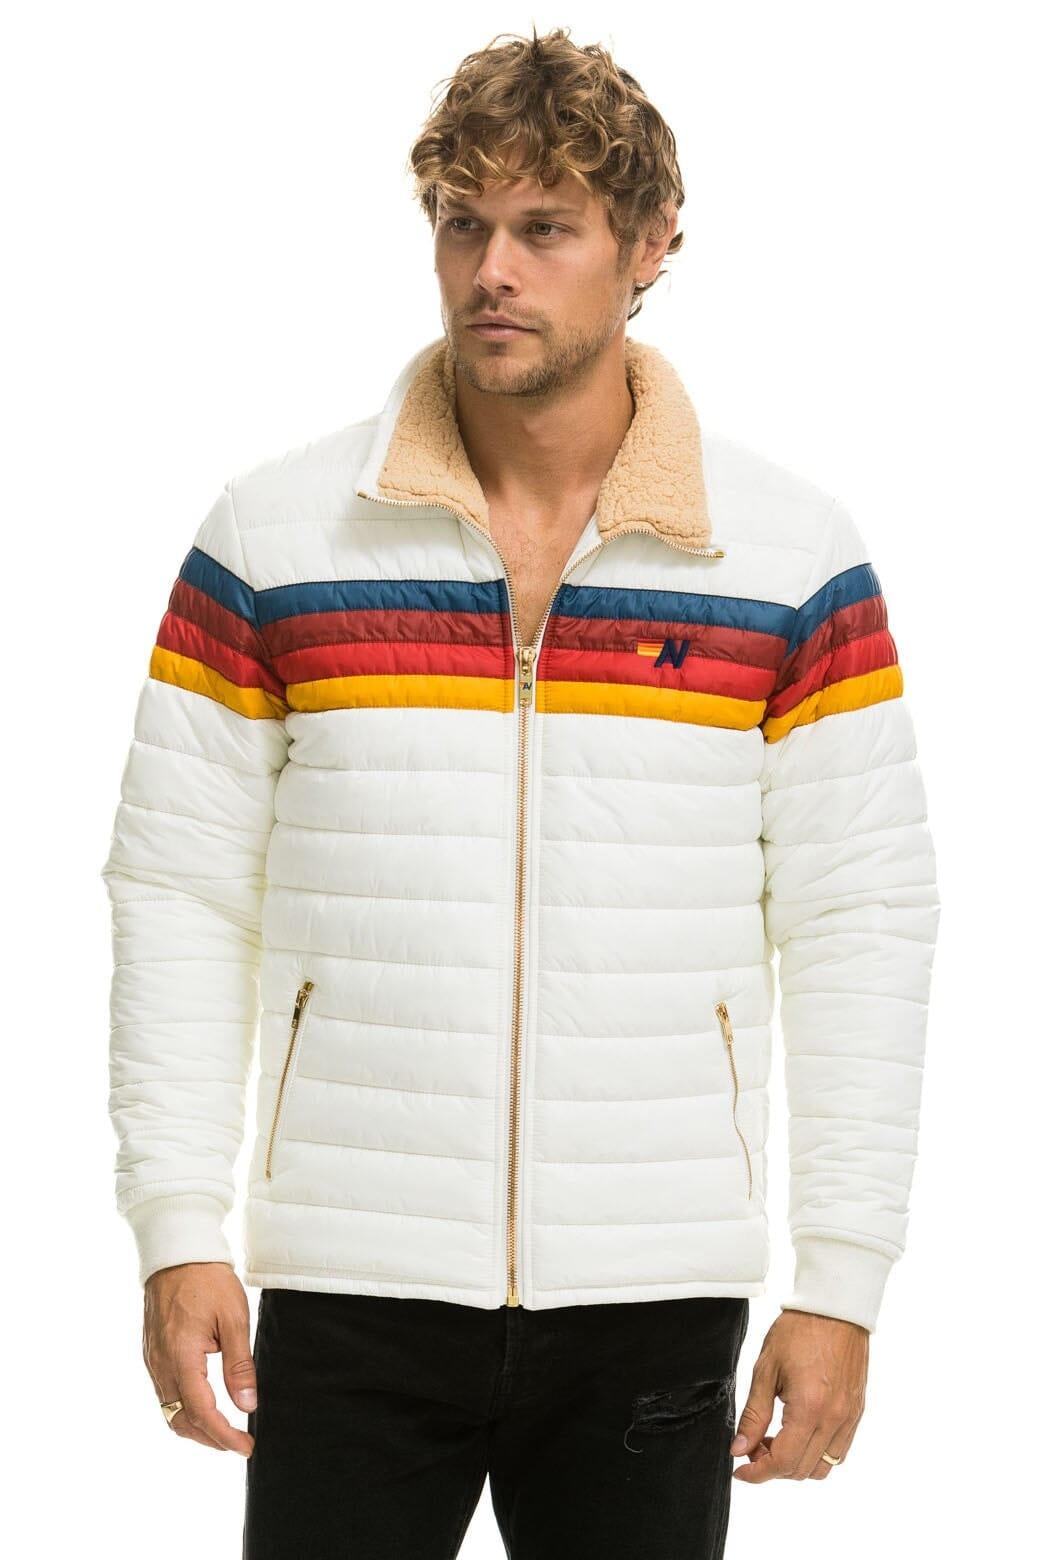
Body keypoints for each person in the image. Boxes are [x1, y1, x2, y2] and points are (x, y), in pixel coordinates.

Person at [100, 25, 940, 1560]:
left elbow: (862, 917)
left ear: (651, 244)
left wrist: (841, 1279)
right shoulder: (276, 537)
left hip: (654, 1284)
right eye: (462, 223)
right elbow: (179, 887)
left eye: (546, 227)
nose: (492, 270)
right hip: (350, 1277)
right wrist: (173, 1227)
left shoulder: (787, 559)